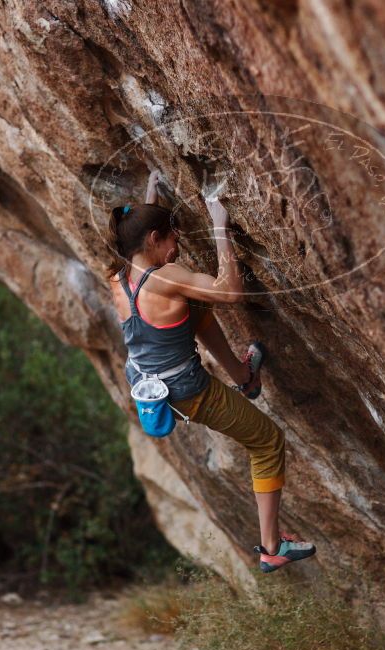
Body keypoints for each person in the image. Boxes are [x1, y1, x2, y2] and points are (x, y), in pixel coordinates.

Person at [106, 168, 316, 573]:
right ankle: (272, 547)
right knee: (268, 441)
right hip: (187, 391)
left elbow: (139, 234)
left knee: (195, 306)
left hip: (146, 378)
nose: (177, 246)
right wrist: (220, 227)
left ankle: (244, 378)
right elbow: (230, 292)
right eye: (172, 238)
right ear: (153, 240)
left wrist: (152, 194)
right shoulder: (165, 278)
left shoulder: (118, 273)